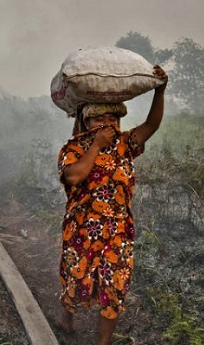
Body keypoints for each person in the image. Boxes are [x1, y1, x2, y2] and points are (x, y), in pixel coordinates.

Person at [56, 65, 168, 344]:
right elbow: (74, 176)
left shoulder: (125, 144)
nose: (107, 123)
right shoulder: (74, 148)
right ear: (87, 122)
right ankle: (66, 317)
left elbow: (151, 125)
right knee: (75, 281)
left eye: (112, 117)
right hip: (81, 231)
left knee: (114, 288)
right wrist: (95, 146)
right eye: (99, 118)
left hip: (117, 233)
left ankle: (103, 342)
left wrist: (160, 91)